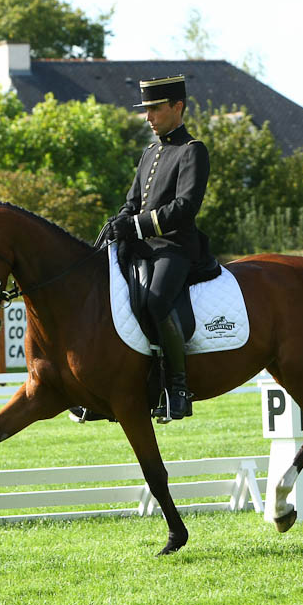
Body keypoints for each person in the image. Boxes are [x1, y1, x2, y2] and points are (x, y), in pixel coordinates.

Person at [107, 75, 211, 420]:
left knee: (156, 299)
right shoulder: (150, 152)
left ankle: (178, 387)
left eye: (154, 109)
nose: (148, 117)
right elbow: (132, 201)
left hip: (175, 246)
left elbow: (185, 207)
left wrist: (136, 224)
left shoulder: (192, 150)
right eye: (146, 110)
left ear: (177, 107)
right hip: (141, 247)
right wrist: (119, 222)